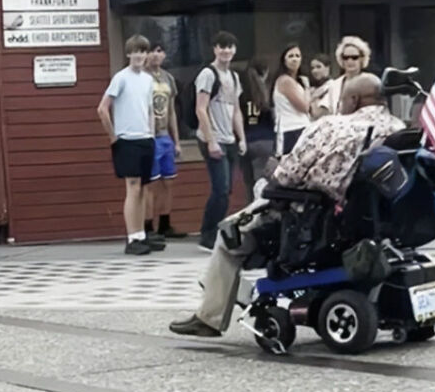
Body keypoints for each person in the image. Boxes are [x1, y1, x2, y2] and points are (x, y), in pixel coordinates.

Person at [169, 73, 404, 337]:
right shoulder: (397, 128)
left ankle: (209, 318)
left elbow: (286, 176)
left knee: (228, 235)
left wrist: (274, 169)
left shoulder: (334, 127)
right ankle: (216, 290)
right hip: (365, 221)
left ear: (354, 99)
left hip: (310, 219)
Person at [98, 35, 160, 255]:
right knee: (132, 188)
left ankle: (141, 234)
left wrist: (151, 134)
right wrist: (113, 136)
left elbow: (150, 109)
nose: (139, 56)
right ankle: (132, 236)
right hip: (127, 140)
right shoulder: (121, 78)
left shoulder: (148, 80)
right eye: (135, 51)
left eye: (143, 51)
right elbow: (102, 108)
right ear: (128, 54)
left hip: (145, 139)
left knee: (143, 188)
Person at [195, 31, 247, 251]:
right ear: (214, 49)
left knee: (227, 190)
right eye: (222, 46)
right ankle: (207, 235)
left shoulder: (234, 77)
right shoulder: (208, 74)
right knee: (221, 189)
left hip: (229, 138)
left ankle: (215, 232)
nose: (226, 51)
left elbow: (236, 110)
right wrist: (211, 141)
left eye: (230, 47)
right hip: (213, 138)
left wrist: (241, 138)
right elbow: (200, 109)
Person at [143, 43, 183, 239]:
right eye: (151, 51)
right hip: (149, 135)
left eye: (159, 51)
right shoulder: (142, 77)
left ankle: (165, 224)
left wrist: (177, 141)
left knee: (168, 181)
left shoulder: (168, 78)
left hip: (165, 136)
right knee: (150, 184)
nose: (155, 55)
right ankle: (148, 226)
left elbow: (171, 111)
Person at [239, 55, 275, 201]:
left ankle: (250, 208)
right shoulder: (266, 93)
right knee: (263, 183)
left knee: (249, 183)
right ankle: (261, 209)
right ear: (265, 72)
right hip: (265, 140)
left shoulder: (241, 93)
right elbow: (274, 119)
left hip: (245, 141)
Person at [312, 37, 370, 120]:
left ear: (362, 59)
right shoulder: (334, 85)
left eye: (354, 57)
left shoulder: (370, 82)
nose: (350, 61)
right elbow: (320, 114)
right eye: (345, 57)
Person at [271, 43, 312, 155]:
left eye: (297, 56)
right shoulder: (285, 81)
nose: (294, 59)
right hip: (290, 129)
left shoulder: (297, 81)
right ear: (284, 60)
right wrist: (307, 88)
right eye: (291, 56)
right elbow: (304, 107)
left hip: (302, 126)